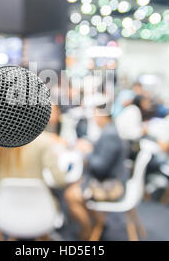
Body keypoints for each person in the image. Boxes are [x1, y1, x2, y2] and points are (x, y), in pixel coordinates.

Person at [65, 103, 126, 240]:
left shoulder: (109, 135)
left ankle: (90, 228)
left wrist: (87, 152)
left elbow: (100, 167)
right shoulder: (109, 131)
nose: (94, 118)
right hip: (106, 179)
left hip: (108, 184)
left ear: (103, 115)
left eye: (95, 115)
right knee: (74, 187)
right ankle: (96, 223)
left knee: (70, 195)